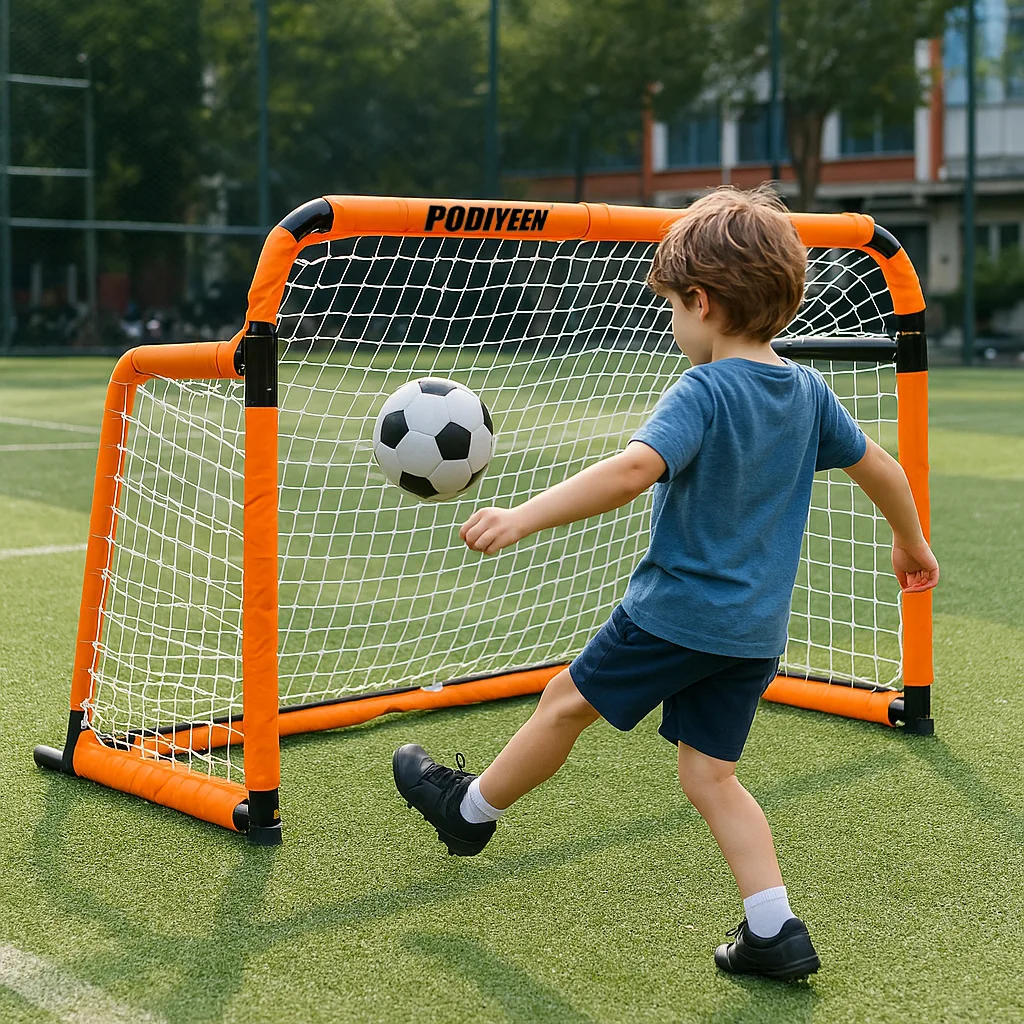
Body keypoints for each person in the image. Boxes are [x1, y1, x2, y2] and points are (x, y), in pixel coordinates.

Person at [392, 185, 939, 982]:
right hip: (755, 635)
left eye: (674, 309)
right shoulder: (810, 393)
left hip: (675, 615)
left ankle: (467, 811)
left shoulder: (704, 391)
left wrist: (522, 518)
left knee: (564, 703)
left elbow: (631, 471)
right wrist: (910, 542)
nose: (674, 326)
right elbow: (881, 468)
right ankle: (774, 929)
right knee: (710, 776)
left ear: (703, 301)